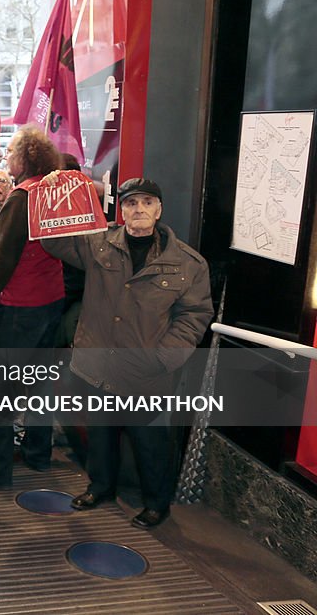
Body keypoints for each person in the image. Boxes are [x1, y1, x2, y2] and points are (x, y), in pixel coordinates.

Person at [42, 177, 212, 528]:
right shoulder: (99, 243)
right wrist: (52, 194)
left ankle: (156, 504)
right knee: (100, 434)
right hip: (97, 365)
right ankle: (100, 487)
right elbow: (55, 243)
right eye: (131, 203)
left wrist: (163, 358)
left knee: (150, 443)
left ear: (159, 209)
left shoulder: (188, 263)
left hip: (146, 373)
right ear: (121, 210)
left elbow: (195, 316)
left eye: (147, 202)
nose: (139, 210)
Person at [0, 125, 64, 489]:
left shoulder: (21, 197)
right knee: (40, 387)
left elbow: (4, 259)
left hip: (19, 305)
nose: (5, 157)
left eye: (10, 151)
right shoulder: (52, 192)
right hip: (52, 299)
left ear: (26, 157)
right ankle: (38, 457)